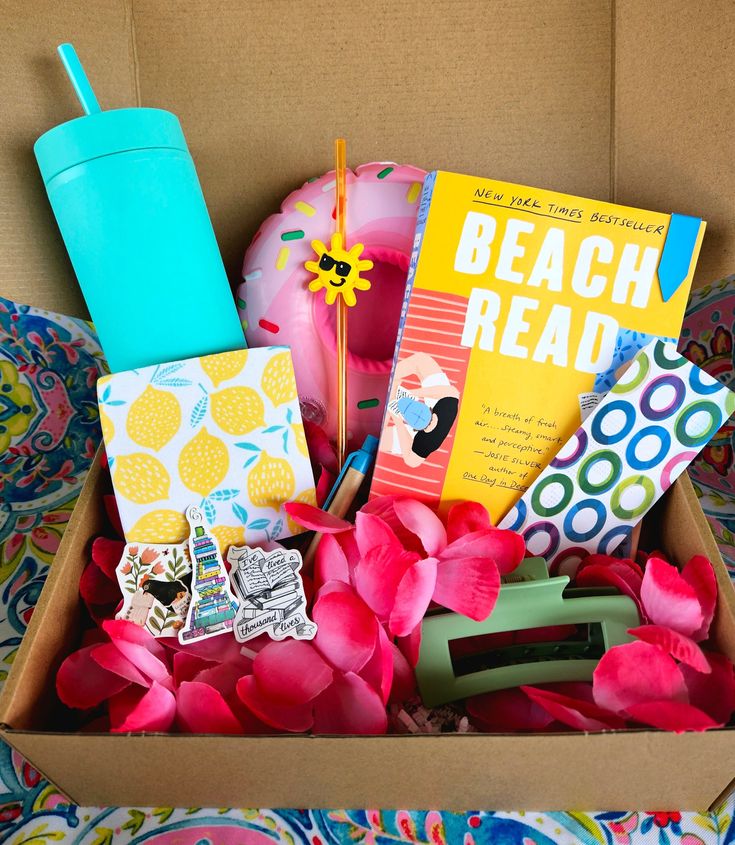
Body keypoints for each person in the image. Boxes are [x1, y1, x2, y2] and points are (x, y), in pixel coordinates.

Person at [380, 352, 460, 467]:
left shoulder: (423, 444)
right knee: (422, 360)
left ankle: (388, 404)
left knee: (381, 440)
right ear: (429, 409)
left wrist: (395, 416)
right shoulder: (448, 406)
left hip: (415, 436)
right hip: (440, 401)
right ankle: (388, 379)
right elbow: (453, 391)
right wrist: (409, 393)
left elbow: (411, 462)